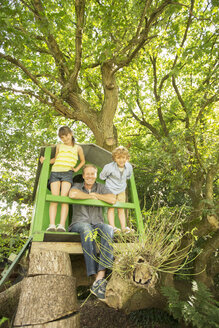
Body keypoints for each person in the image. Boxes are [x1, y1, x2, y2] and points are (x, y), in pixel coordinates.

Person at [68, 164, 116, 300]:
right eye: (87, 174)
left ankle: (100, 277)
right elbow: (73, 194)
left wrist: (96, 195)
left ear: (96, 175)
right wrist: (89, 196)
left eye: (92, 174)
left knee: (108, 229)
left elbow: (112, 199)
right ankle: (94, 275)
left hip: (97, 223)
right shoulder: (77, 186)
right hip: (80, 223)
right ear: (83, 176)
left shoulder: (101, 187)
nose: (90, 176)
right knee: (86, 230)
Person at [40, 126, 85, 232]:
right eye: (62, 137)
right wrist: (46, 161)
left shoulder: (78, 148)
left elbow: (83, 161)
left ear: (71, 134)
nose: (65, 139)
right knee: (54, 198)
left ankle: (61, 225)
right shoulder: (59, 146)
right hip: (55, 172)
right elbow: (55, 159)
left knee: (64, 199)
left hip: (67, 173)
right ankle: (51, 225)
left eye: (66, 136)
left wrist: (76, 169)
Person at [99, 146, 133, 233]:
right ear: (114, 158)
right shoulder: (109, 167)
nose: (121, 160)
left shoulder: (129, 167)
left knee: (121, 208)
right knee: (111, 207)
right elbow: (102, 176)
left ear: (127, 158)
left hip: (121, 189)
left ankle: (123, 227)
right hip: (110, 188)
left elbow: (128, 176)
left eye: (123, 158)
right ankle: (112, 227)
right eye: (118, 158)